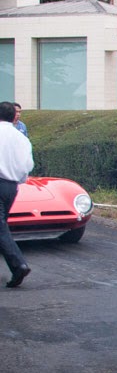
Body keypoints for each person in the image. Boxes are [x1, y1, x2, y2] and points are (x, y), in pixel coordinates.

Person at [0, 101, 33, 287]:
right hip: (11, 186)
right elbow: (27, 166)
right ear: (14, 116)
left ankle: (18, 264)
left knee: (0, 226)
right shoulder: (21, 138)